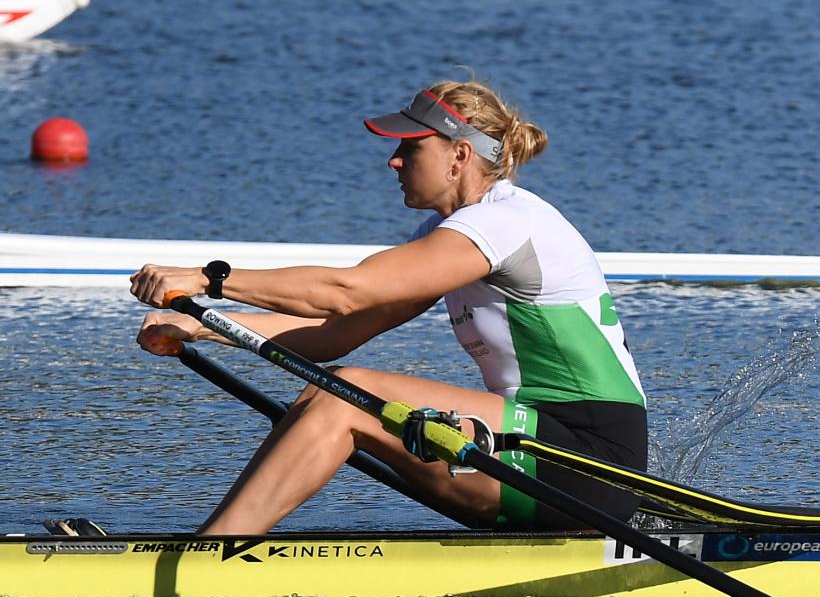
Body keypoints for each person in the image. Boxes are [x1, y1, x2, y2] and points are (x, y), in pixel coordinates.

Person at [130, 80, 648, 534]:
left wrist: (211, 279)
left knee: (349, 391)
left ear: (459, 155)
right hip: (534, 449)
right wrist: (201, 326)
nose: (393, 161)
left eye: (410, 148)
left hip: (585, 461)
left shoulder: (505, 224)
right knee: (327, 388)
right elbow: (336, 329)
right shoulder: (452, 234)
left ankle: (211, 551)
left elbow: (344, 291)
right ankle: (220, 540)